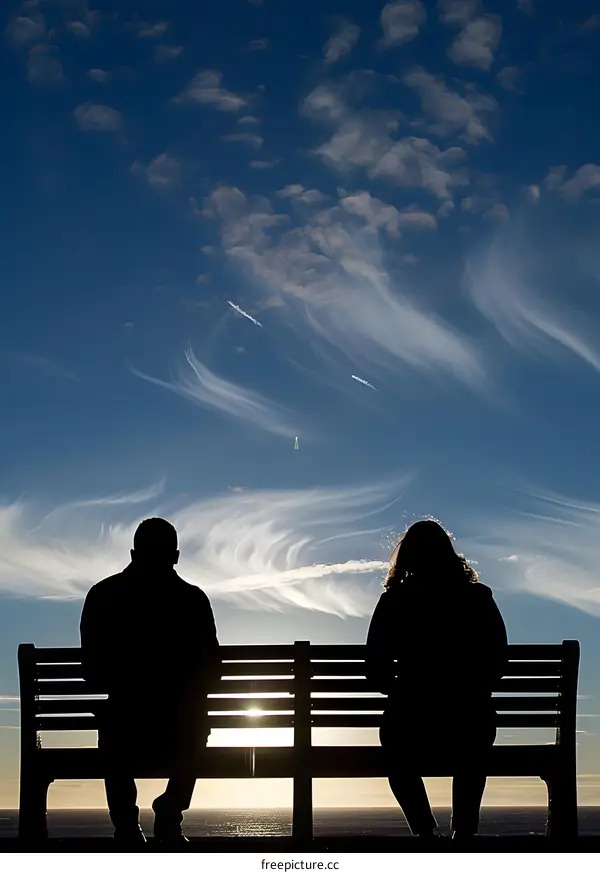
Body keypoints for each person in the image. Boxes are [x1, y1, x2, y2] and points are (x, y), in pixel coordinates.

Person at [80, 517, 220, 848]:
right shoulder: (193, 600)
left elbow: (92, 673)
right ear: (175, 556)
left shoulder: (102, 595)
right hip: (181, 729)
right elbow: (213, 672)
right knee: (198, 724)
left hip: (125, 727)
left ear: (133, 553)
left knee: (112, 724)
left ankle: (126, 826)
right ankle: (170, 813)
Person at [366, 518, 508, 841]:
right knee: (475, 738)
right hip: (468, 720)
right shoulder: (478, 598)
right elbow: (500, 661)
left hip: (411, 723)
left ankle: (425, 833)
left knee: (393, 743)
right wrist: (470, 687)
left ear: (407, 559)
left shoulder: (394, 602)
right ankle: (464, 831)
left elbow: (374, 668)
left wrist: (401, 688)